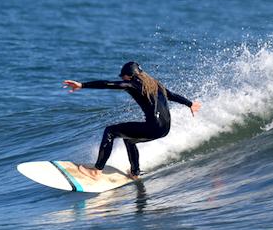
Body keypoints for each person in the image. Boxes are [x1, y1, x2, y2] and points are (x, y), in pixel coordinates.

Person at [63, 61, 201, 180]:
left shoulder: (132, 84)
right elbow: (172, 95)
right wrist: (190, 104)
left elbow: (108, 84)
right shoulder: (156, 85)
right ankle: (135, 173)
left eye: (123, 77)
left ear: (129, 75)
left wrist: (82, 85)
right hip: (165, 129)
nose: (123, 79)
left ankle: (96, 171)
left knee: (110, 131)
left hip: (153, 127)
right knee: (129, 139)